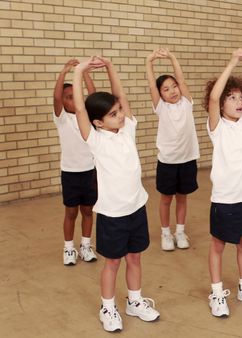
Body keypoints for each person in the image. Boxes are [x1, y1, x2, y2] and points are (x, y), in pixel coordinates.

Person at [72, 56, 160, 332]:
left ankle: (134, 301)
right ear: (97, 122)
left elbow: (119, 95)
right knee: (112, 263)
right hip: (112, 213)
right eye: (112, 114)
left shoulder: (127, 130)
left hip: (136, 208)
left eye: (119, 110)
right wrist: (78, 71)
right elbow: (79, 109)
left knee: (135, 257)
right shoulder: (96, 139)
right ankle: (108, 307)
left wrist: (110, 68)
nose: (120, 115)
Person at [203, 48, 242, 317]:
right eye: (232, 98)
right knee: (218, 246)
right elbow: (215, 94)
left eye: (240, 97)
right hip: (226, 198)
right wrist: (232, 62)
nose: (239, 102)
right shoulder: (217, 127)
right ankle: (216, 293)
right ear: (220, 105)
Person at [145, 48, 200, 251]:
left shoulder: (186, 102)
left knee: (182, 197)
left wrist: (172, 57)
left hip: (187, 160)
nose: (173, 91)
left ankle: (180, 231)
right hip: (168, 161)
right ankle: (166, 233)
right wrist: (149, 61)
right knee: (166, 199)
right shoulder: (161, 107)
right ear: (160, 94)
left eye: (174, 86)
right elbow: (152, 83)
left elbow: (182, 79)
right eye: (166, 89)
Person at [52, 58, 98, 266]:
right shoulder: (61, 118)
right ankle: (69, 248)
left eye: (74, 97)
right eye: (67, 98)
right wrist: (64, 71)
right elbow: (56, 96)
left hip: (89, 171)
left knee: (88, 211)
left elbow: (94, 94)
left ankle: (86, 246)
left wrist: (85, 72)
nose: (72, 100)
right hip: (70, 173)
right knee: (70, 212)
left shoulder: (86, 115)